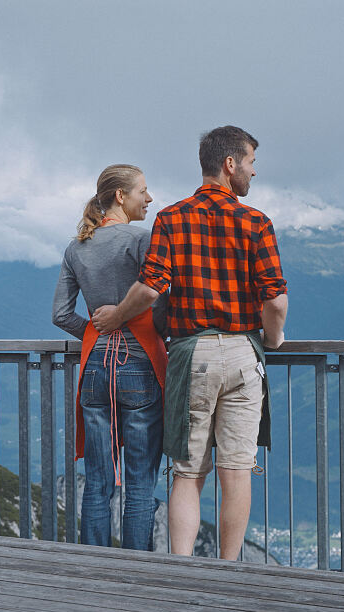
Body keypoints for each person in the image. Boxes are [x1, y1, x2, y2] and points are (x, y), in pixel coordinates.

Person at [90, 126, 288, 560]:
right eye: (251, 163)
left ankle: (182, 572)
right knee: (236, 472)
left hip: (191, 353)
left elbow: (150, 287)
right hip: (241, 351)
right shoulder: (256, 222)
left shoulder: (172, 218)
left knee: (187, 473)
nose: (254, 173)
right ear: (230, 164)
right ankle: (229, 570)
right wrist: (272, 339)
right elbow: (274, 296)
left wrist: (115, 317)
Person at [51, 164, 168, 551]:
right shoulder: (140, 240)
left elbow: (61, 315)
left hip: (96, 366)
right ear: (121, 196)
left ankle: (94, 569)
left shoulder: (76, 247)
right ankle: (136, 571)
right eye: (143, 191)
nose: (149, 199)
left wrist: (97, 331)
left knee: (98, 479)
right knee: (139, 480)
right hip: (138, 363)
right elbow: (158, 296)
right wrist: (157, 331)